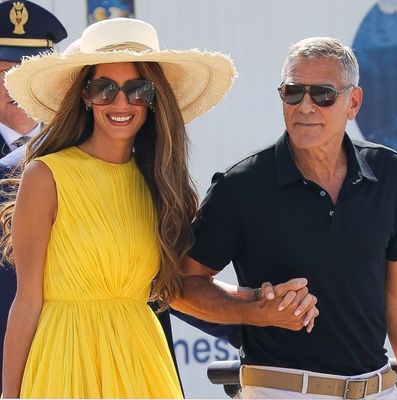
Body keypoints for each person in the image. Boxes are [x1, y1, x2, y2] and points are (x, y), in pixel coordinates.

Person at [0, 17, 237, 398]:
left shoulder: (159, 185)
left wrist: (260, 306)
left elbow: (178, 287)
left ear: (153, 97)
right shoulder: (46, 176)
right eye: (104, 88)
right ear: (85, 96)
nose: (121, 102)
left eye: (137, 89)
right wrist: (9, 395)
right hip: (65, 364)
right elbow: (26, 303)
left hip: (141, 362)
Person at [173, 37, 397, 399]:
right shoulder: (241, 186)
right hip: (280, 391)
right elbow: (180, 285)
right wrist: (256, 311)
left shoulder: (391, 174)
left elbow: (396, 298)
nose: (305, 106)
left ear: (353, 102)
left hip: (379, 390)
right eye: (293, 92)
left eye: (322, 95)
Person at [0, 0, 67, 394]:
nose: (16, 86)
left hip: (73, 357)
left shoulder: (82, 150)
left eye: (27, 74)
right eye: (5, 72)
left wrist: (246, 324)